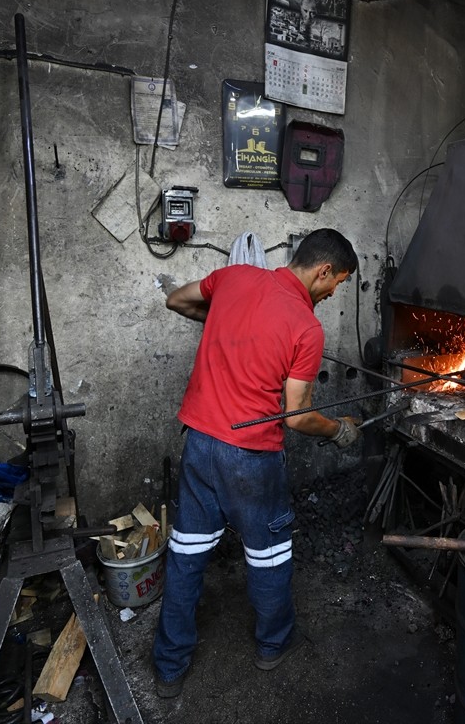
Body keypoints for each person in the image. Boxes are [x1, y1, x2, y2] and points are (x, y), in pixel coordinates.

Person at [152, 228, 362, 698]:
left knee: (186, 554)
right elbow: (299, 416)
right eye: (338, 283)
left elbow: (177, 301)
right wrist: (340, 430)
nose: (332, 293)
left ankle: (169, 666)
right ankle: (273, 644)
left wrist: (228, 325)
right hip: (250, 458)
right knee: (268, 556)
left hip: (200, 444)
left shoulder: (233, 277)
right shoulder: (306, 327)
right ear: (323, 270)